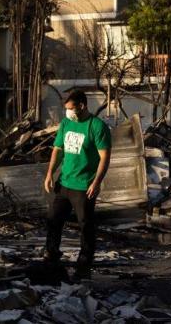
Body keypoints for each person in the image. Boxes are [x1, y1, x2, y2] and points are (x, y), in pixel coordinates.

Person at [43, 88, 111, 280]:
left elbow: (104, 157)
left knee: (86, 225)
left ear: (82, 106)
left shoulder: (97, 126)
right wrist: (50, 173)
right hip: (64, 183)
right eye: (66, 109)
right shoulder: (66, 123)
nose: (68, 112)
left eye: (71, 108)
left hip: (84, 186)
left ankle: (85, 261)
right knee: (54, 220)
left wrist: (96, 182)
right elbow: (58, 150)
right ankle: (51, 253)